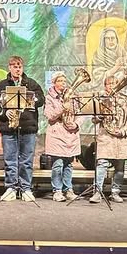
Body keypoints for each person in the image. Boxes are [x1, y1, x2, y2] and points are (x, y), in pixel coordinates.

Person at [0, 56, 45, 202]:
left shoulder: (31, 84)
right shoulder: (2, 85)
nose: (17, 69)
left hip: (28, 127)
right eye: (14, 66)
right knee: (10, 160)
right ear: (9, 68)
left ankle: (26, 188)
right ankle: (11, 188)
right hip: (8, 128)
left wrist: (32, 99)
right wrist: (4, 112)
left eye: (19, 66)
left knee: (26, 161)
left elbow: (41, 100)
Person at [91, 73, 127, 203]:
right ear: (105, 86)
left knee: (120, 167)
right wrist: (99, 116)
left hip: (121, 137)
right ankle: (97, 192)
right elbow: (94, 119)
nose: (111, 86)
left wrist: (124, 130)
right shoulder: (100, 99)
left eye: (114, 83)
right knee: (101, 164)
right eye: (109, 84)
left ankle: (115, 192)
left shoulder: (125, 99)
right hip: (106, 136)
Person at [43, 72, 80, 202]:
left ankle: (68, 189)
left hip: (70, 133)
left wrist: (76, 124)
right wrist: (62, 108)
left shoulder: (72, 96)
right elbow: (50, 115)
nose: (63, 83)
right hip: (56, 133)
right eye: (60, 81)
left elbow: (80, 113)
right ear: (54, 83)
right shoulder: (49, 97)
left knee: (68, 164)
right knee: (58, 164)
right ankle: (57, 190)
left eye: (64, 81)